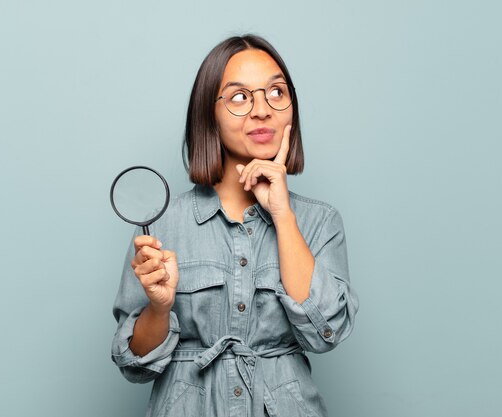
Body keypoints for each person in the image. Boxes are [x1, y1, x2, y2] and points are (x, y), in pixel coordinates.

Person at [111, 34, 359, 417]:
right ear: (209, 113)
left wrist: (282, 216)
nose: (262, 110)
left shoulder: (319, 221)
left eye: (276, 92)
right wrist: (159, 309)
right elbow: (134, 364)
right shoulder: (162, 225)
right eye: (240, 97)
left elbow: (327, 332)